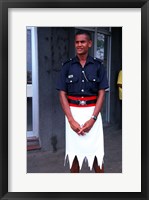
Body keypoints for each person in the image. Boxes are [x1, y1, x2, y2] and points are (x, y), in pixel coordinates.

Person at [56, 30, 109, 173]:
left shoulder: (98, 66)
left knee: (97, 159)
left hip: (93, 114)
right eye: (77, 42)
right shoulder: (67, 66)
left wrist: (93, 119)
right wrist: (71, 120)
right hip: (73, 114)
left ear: (90, 44)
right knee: (74, 159)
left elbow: (102, 93)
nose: (79, 45)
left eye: (82, 42)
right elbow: (62, 94)